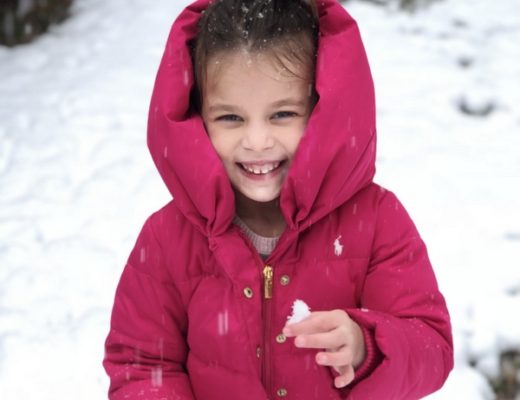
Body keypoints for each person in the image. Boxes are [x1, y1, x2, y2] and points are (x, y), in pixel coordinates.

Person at [103, 0, 454, 398]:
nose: (257, 141)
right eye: (230, 118)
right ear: (198, 119)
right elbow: (142, 364)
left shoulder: (375, 221)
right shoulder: (168, 238)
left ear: (321, 112)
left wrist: (366, 345)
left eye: (283, 114)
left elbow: (431, 347)